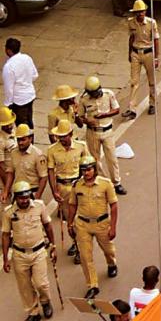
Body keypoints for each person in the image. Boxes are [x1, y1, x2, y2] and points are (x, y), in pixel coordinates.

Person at [1, 181, 56, 321]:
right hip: (19, 254)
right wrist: (6, 259)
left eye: (26, 197)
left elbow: (48, 226)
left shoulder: (39, 206)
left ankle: (45, 302)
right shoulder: (8, 213)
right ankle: (33, 311)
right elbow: (6, 235)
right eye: (21, 198)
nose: (24, 200)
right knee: (24, 286)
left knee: (41, 283)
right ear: (15, 198)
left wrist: (53, 247)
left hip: (38, 252)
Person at [67, 155, 119, 300]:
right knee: (85, 256)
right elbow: (72, 205)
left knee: (108, 249)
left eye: (89, 169)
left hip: (102, 223)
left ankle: (111, 263)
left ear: (94, 169)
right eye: (83, 170)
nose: (86, 173)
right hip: (83, 224)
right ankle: (92, 285)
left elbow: (113, 206)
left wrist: (113, 227)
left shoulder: (105, 184)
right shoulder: (77, 185)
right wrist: (70, 223)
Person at [47, 119, 88, 264]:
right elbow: (51, 172)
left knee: (78, 218)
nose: (62, 139)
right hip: (62, 187)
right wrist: (54, 191)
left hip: (77, 185)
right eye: (60, 136)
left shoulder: (81, 146)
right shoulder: (52, 150)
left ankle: (79, 248)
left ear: (71, 134)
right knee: (68, 219)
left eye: (65, 136)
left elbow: (87, 166)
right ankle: (75, 242)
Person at [76, 76, 125, 195]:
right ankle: (103, 181)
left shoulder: (108, 94)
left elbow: (117, 109)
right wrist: (88, 121)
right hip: (92, 132)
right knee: (95, 159)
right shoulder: (84, 100)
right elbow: (81, 117)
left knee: (112, 158)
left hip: (107, 131)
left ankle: (116, 183)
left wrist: (104, 115)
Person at [122, 0, 159, 120]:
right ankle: (132, 108)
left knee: (151, 81)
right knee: (134, 82)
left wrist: (156, 57)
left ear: (145, 12)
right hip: (136, 53)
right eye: (138, 12)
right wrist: (129, 53)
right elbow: (131, 38)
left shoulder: (151, 23)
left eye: (142, 12)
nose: (140, 14)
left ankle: (152, 103)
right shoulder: (131, 23)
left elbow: (156, 40)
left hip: (148, 53)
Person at [3, 124, 47, 203]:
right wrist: (6, 191)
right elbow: (10, 173)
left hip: (32, 193)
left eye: (23, 140)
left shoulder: (38, 155)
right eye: (18, 140)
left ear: (30, 139)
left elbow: (43, 178)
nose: (20, 143)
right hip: (17, 193)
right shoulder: (13, 153)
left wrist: (37, 197)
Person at [3, 38, 38, 129]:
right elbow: (35, 75)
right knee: (29, 121)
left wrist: (8, 104)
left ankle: (27, 141)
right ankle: (31, 141)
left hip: (19, 100)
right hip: (30, 95)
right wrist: (26, 82)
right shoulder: (27, 58)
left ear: (8, 50)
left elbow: (8, 88)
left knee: (22, 126)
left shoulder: (9, 66)